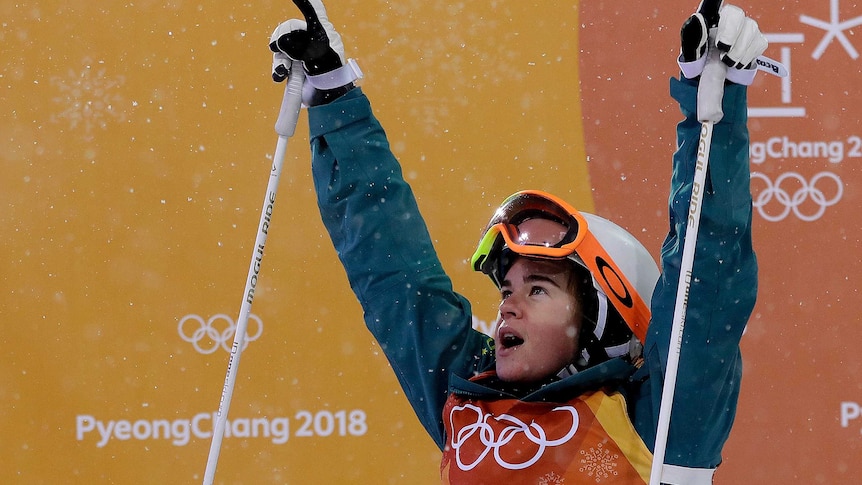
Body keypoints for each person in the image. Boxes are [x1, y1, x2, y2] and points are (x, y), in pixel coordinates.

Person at [269, 0, 765, 483]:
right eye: (508, 290)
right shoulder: (468, 400)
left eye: (538, 289)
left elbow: (705, 287)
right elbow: (394, 276)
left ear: (605, 327)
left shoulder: (662, 424)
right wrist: (335, 100)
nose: (507, 307)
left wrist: (714, 102)